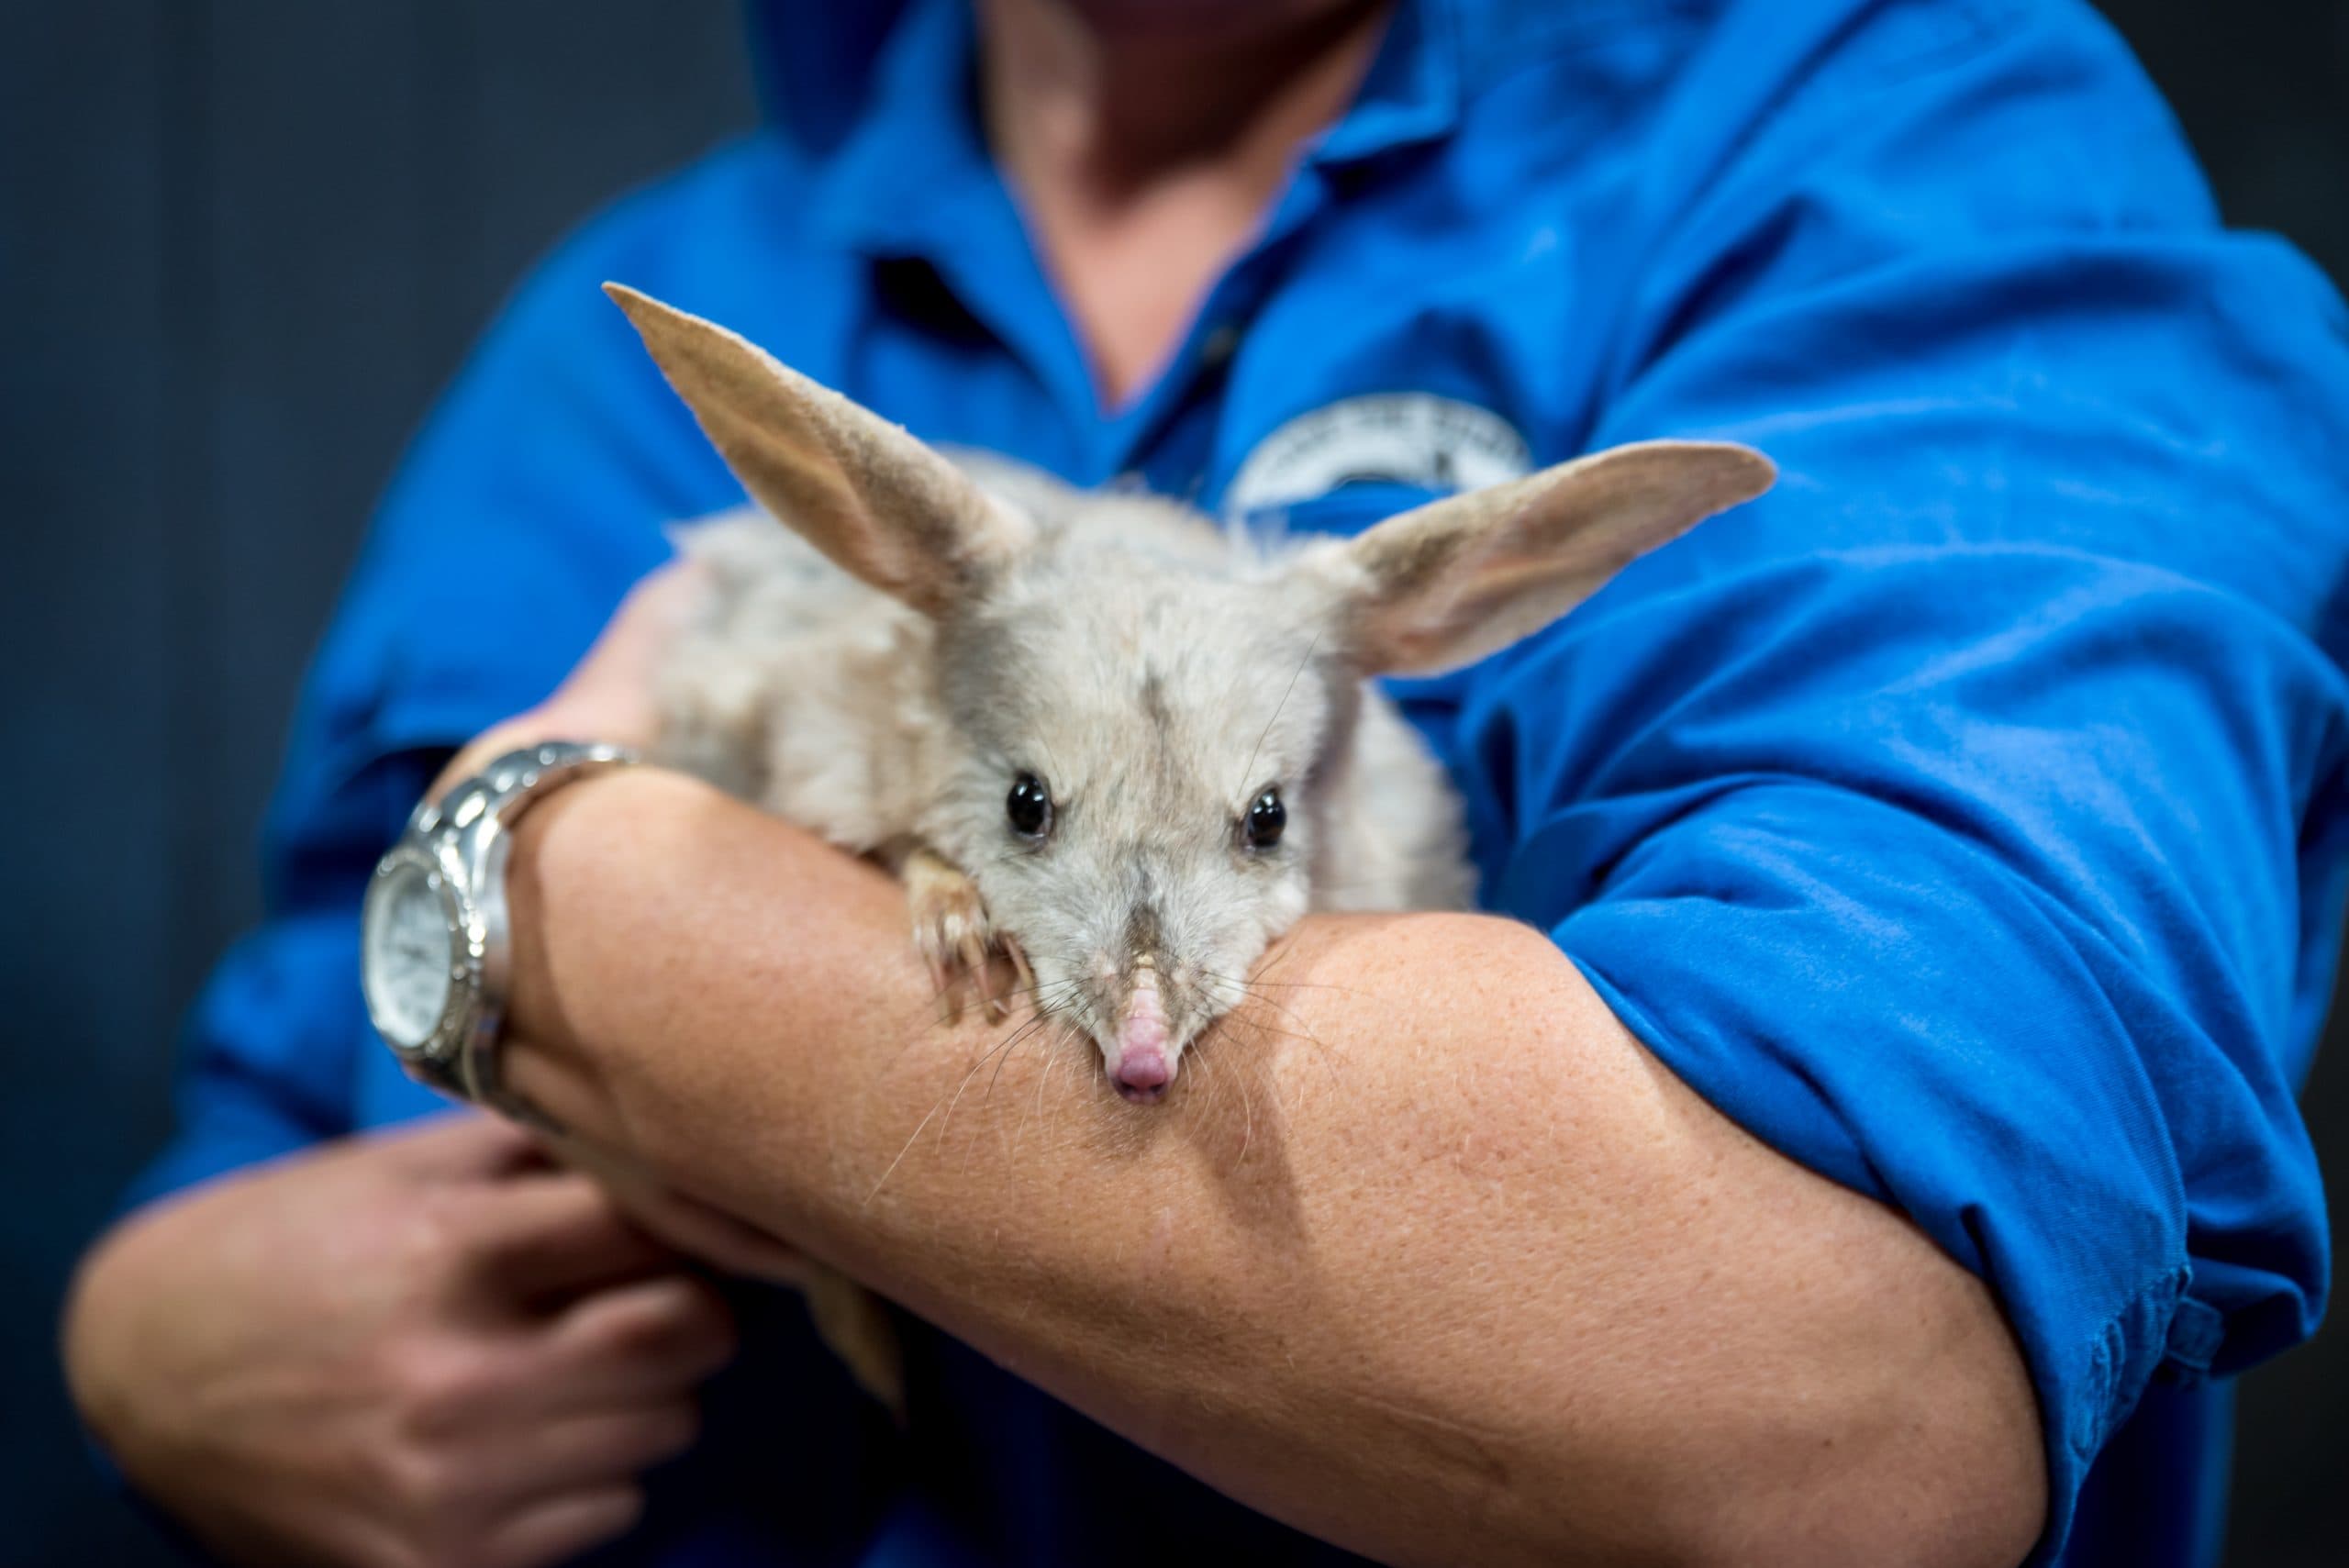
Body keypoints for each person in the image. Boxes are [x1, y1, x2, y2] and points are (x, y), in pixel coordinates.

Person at [61, 0, 2348, 1563]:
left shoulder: (1888, 143)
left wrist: (570, 890)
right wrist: (142, 1342)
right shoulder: (641, 309)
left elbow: (1831, 1416)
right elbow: (279, 1085)